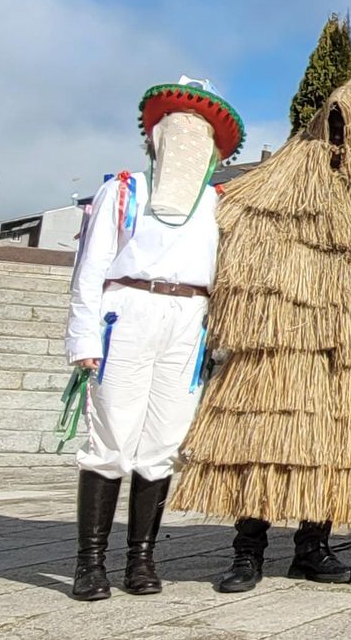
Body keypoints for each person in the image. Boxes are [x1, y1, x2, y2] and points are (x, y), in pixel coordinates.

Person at [173, 75, 351, 593]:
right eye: (334, 126)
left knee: (333, 449)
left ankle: (312, 547)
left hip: (350, 351)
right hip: (279, 350)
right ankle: (247, 550)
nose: (340, 135)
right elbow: (233, 265)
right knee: (261, 444)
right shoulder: (270, 189)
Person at [63, 77, 243, 601]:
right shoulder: (122, 191)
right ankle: (89, 563)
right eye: (177, 130)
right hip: (127, 313)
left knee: (163, 442)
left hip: (189, 318)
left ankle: (141, 559)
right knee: (111, 438)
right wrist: (84, 339)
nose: (188, 140)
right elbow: (89, 268)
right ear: (156, 138)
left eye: (200, 134)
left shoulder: (217, 204)